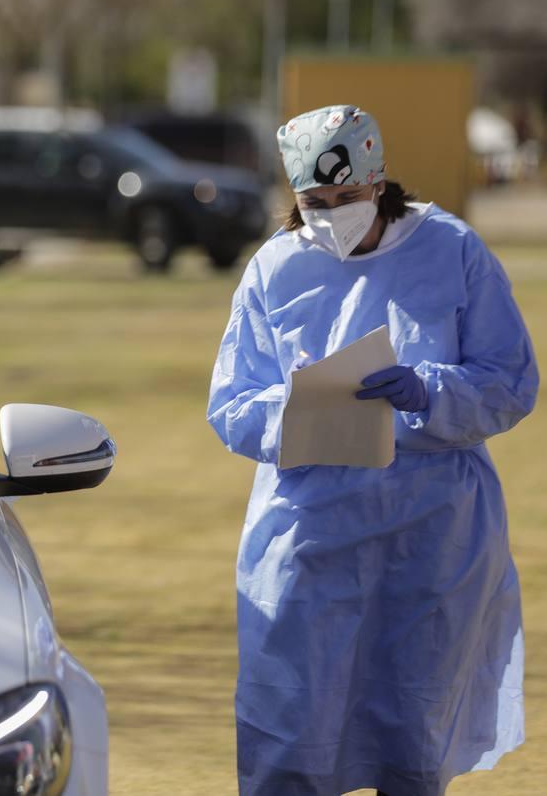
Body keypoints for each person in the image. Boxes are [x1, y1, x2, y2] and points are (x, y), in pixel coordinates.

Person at [207, 104, 538, 796]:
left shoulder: (451, 252)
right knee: (290, 734)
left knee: (411, 738)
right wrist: (297, 408)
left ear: (379, 179)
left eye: (346, 197)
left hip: (430, 540)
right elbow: (232, 406)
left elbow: (510, 380)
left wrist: (430, 392)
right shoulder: (276, 269)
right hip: (309, 538)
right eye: (315, 202)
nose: (332, 214)